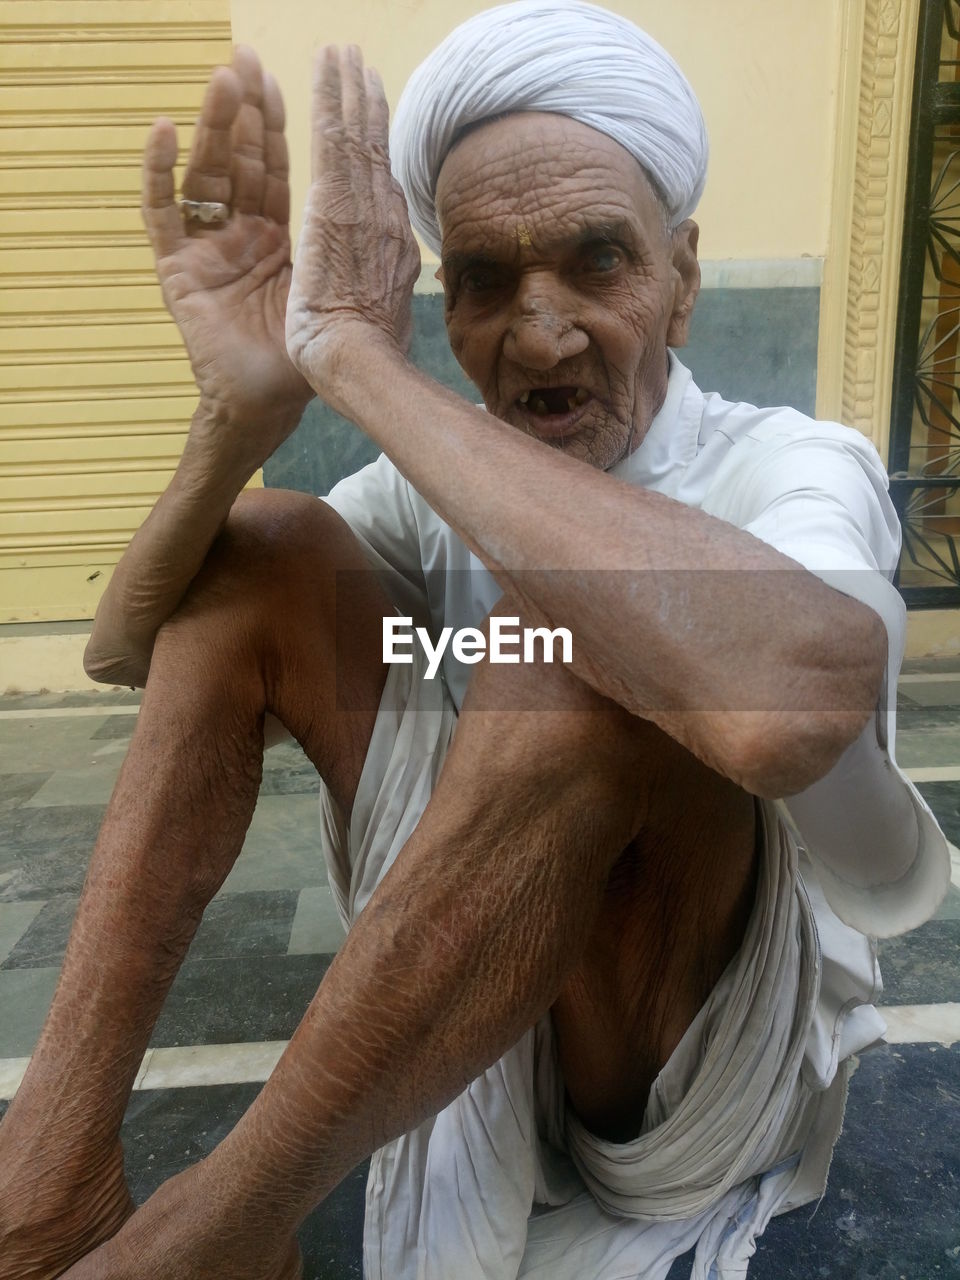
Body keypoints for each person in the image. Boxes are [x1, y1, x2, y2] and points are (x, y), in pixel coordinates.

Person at [0, 2, 950, 1278]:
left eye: (598, 260)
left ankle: (205, 1241)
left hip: (688, 1077)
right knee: (270, 545)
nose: (540, 331)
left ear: (684, 280)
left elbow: (793, 708)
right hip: (475, 1011)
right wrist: (241, 422)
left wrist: (357, 363)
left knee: (575, 641)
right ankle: (47, 1182)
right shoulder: (439, 481)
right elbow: (129, 649)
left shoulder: (793, 461)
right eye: (486, 279)